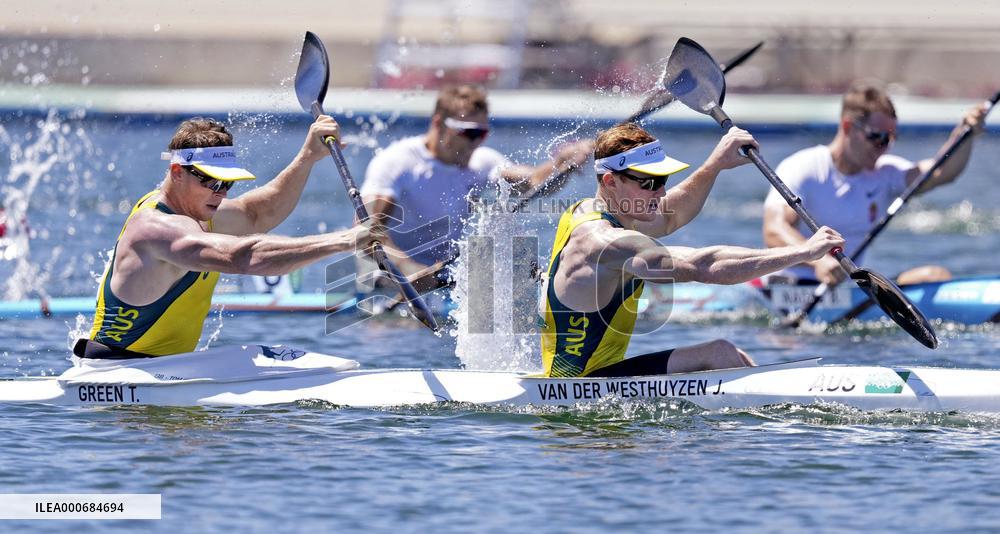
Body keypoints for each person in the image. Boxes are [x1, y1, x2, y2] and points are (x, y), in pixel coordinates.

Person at [540, 123, 845, 377]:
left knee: (728, 354)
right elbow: (704, 265)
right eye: (649, 183)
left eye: (663, 180)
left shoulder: (594, 209)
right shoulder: (604, 242)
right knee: (718, 354)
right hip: (577, 386)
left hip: (596, 377)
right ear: (610, 180)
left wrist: (715, 165)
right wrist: (804, 252)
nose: (660, 192)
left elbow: (672, 215)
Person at [78, 116, 377, 358]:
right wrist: (344, 240)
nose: (220, 193)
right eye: (210, 180)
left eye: (227, 183)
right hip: (117, 375)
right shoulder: (155, 228)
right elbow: (244, 257)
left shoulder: (201, 213)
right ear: (177, 171)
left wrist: (308, 157)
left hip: (163, 370)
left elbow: (260, 213)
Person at [359, 83, 594, 290]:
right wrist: (410, 270)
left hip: (443, 277)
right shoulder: (396, 163)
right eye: (468, 132)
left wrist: (564, 162)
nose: (475, 142)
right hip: (389, 276)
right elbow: (364, 232)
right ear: (438, 123)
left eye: (481, 133)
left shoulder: (482, 162)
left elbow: (533, 182)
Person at [763, 82, 988, 286]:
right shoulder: (804, 167)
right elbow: (773, 230)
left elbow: (940, 172)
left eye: (890, 139)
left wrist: (965, 134)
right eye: (877, 137)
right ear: (848, 127)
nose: (884, 147)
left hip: (848, 285)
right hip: (794, 284)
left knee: (934, 276)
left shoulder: (885, 172)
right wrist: (817, 262)